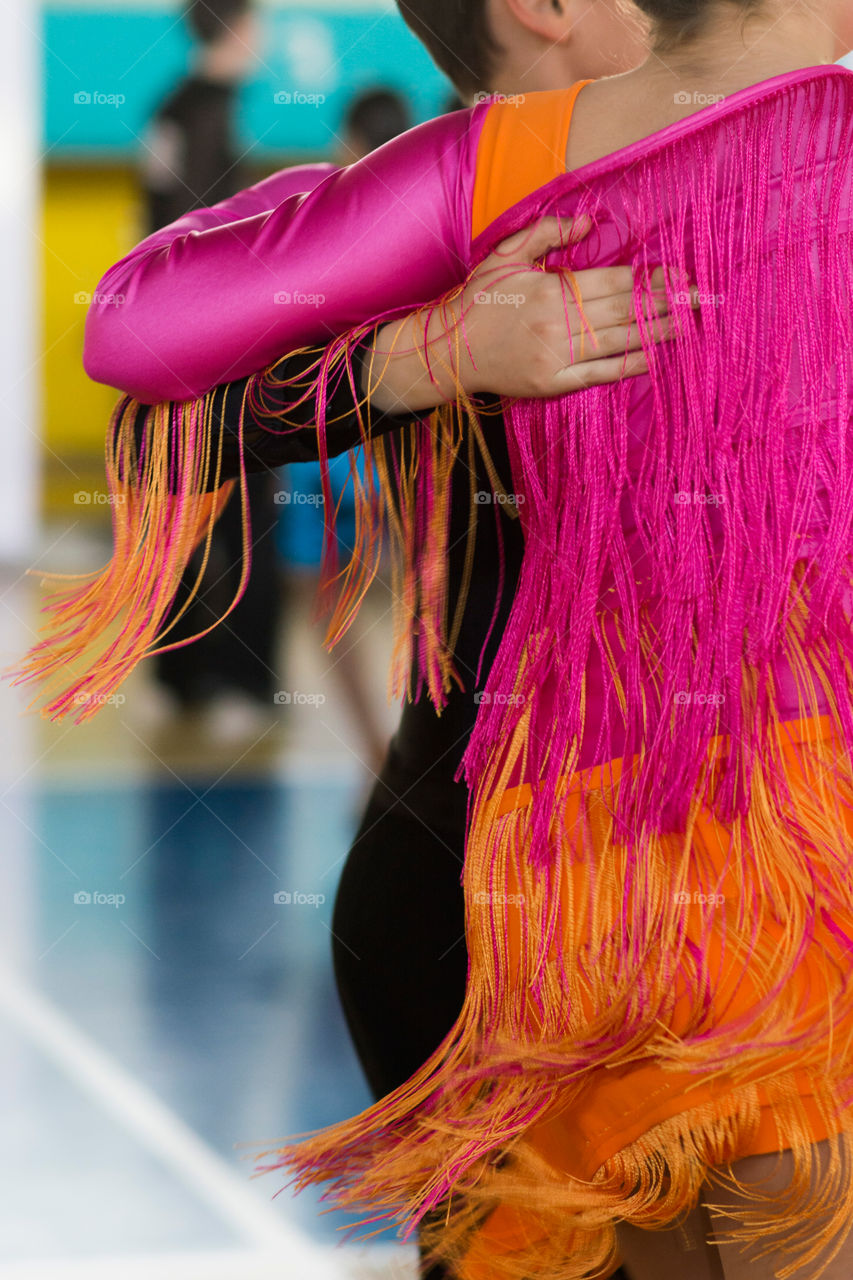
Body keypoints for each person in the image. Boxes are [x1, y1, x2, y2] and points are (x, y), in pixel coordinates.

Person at [17, 2, 853, 1278]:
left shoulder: (564, 176)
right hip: (501, 891)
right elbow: (142, 374)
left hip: (619, 865)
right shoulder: (483, 182)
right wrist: (424, 354)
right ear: (546, 12)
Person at [140, 0, 284, 745]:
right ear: (236, 29)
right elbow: (201, 241)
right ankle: (241, 681)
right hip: (217, 354)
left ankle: (178, 675)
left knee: (180, 513)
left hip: (171, 349)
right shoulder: (209, 114)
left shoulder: (174, 105)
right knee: (247, 517)